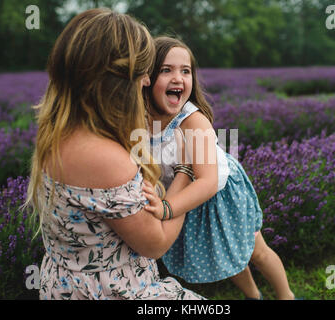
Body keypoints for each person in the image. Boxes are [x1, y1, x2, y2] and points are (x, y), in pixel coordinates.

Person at [23, 9, 204, 300]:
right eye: (142, 72)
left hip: (66, 285)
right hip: (114, 291)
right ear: (115, 81)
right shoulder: (104, 158)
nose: (146, 81)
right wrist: (186, 171)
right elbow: (155, 244)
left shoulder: (60, 132)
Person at [142, 36, 296, 300]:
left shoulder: (192, 121)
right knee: (226, 251)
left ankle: (287, 296)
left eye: (186, 71)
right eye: (166, 70)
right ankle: (254, 296)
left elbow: (208, 182)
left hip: (219, 192)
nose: (178, 78)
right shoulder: (142, 116)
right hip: (185, 194)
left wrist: (168, 207)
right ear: (147, 77)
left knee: (255, 250)